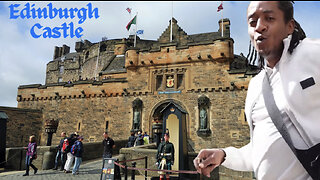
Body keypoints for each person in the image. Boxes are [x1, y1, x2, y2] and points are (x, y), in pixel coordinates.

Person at [194, 1, 320, 180]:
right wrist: (224, 155)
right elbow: (261, 152)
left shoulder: (313, 54)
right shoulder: (256, 86)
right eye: (252, 22)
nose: (259, 27)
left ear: (289, 25)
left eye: (269, 18)